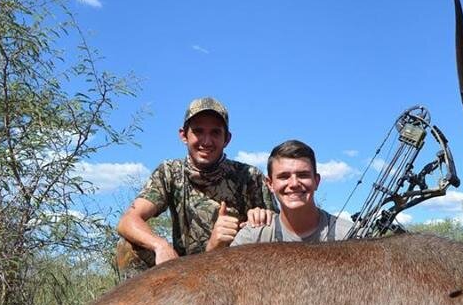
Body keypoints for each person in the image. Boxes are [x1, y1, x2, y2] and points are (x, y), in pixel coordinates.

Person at [116, 97, 277, 276]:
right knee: (127, 246)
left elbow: (276, 230)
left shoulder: (249, 176)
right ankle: (144, 304)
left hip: (232, 270)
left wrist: (251, 224)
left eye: (215, 133)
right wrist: (160, 245)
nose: (206, 141)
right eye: (198, 131)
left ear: (227, 139)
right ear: (183, 135)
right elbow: (128, 220)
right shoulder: (169, 172)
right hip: (184, 274)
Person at [232, 139, 352, 245]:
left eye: (303, 175)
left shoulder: (349, 234)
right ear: (270, 184)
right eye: (284, 176)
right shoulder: (253, 236)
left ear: (316, 181)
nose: (294, 184)